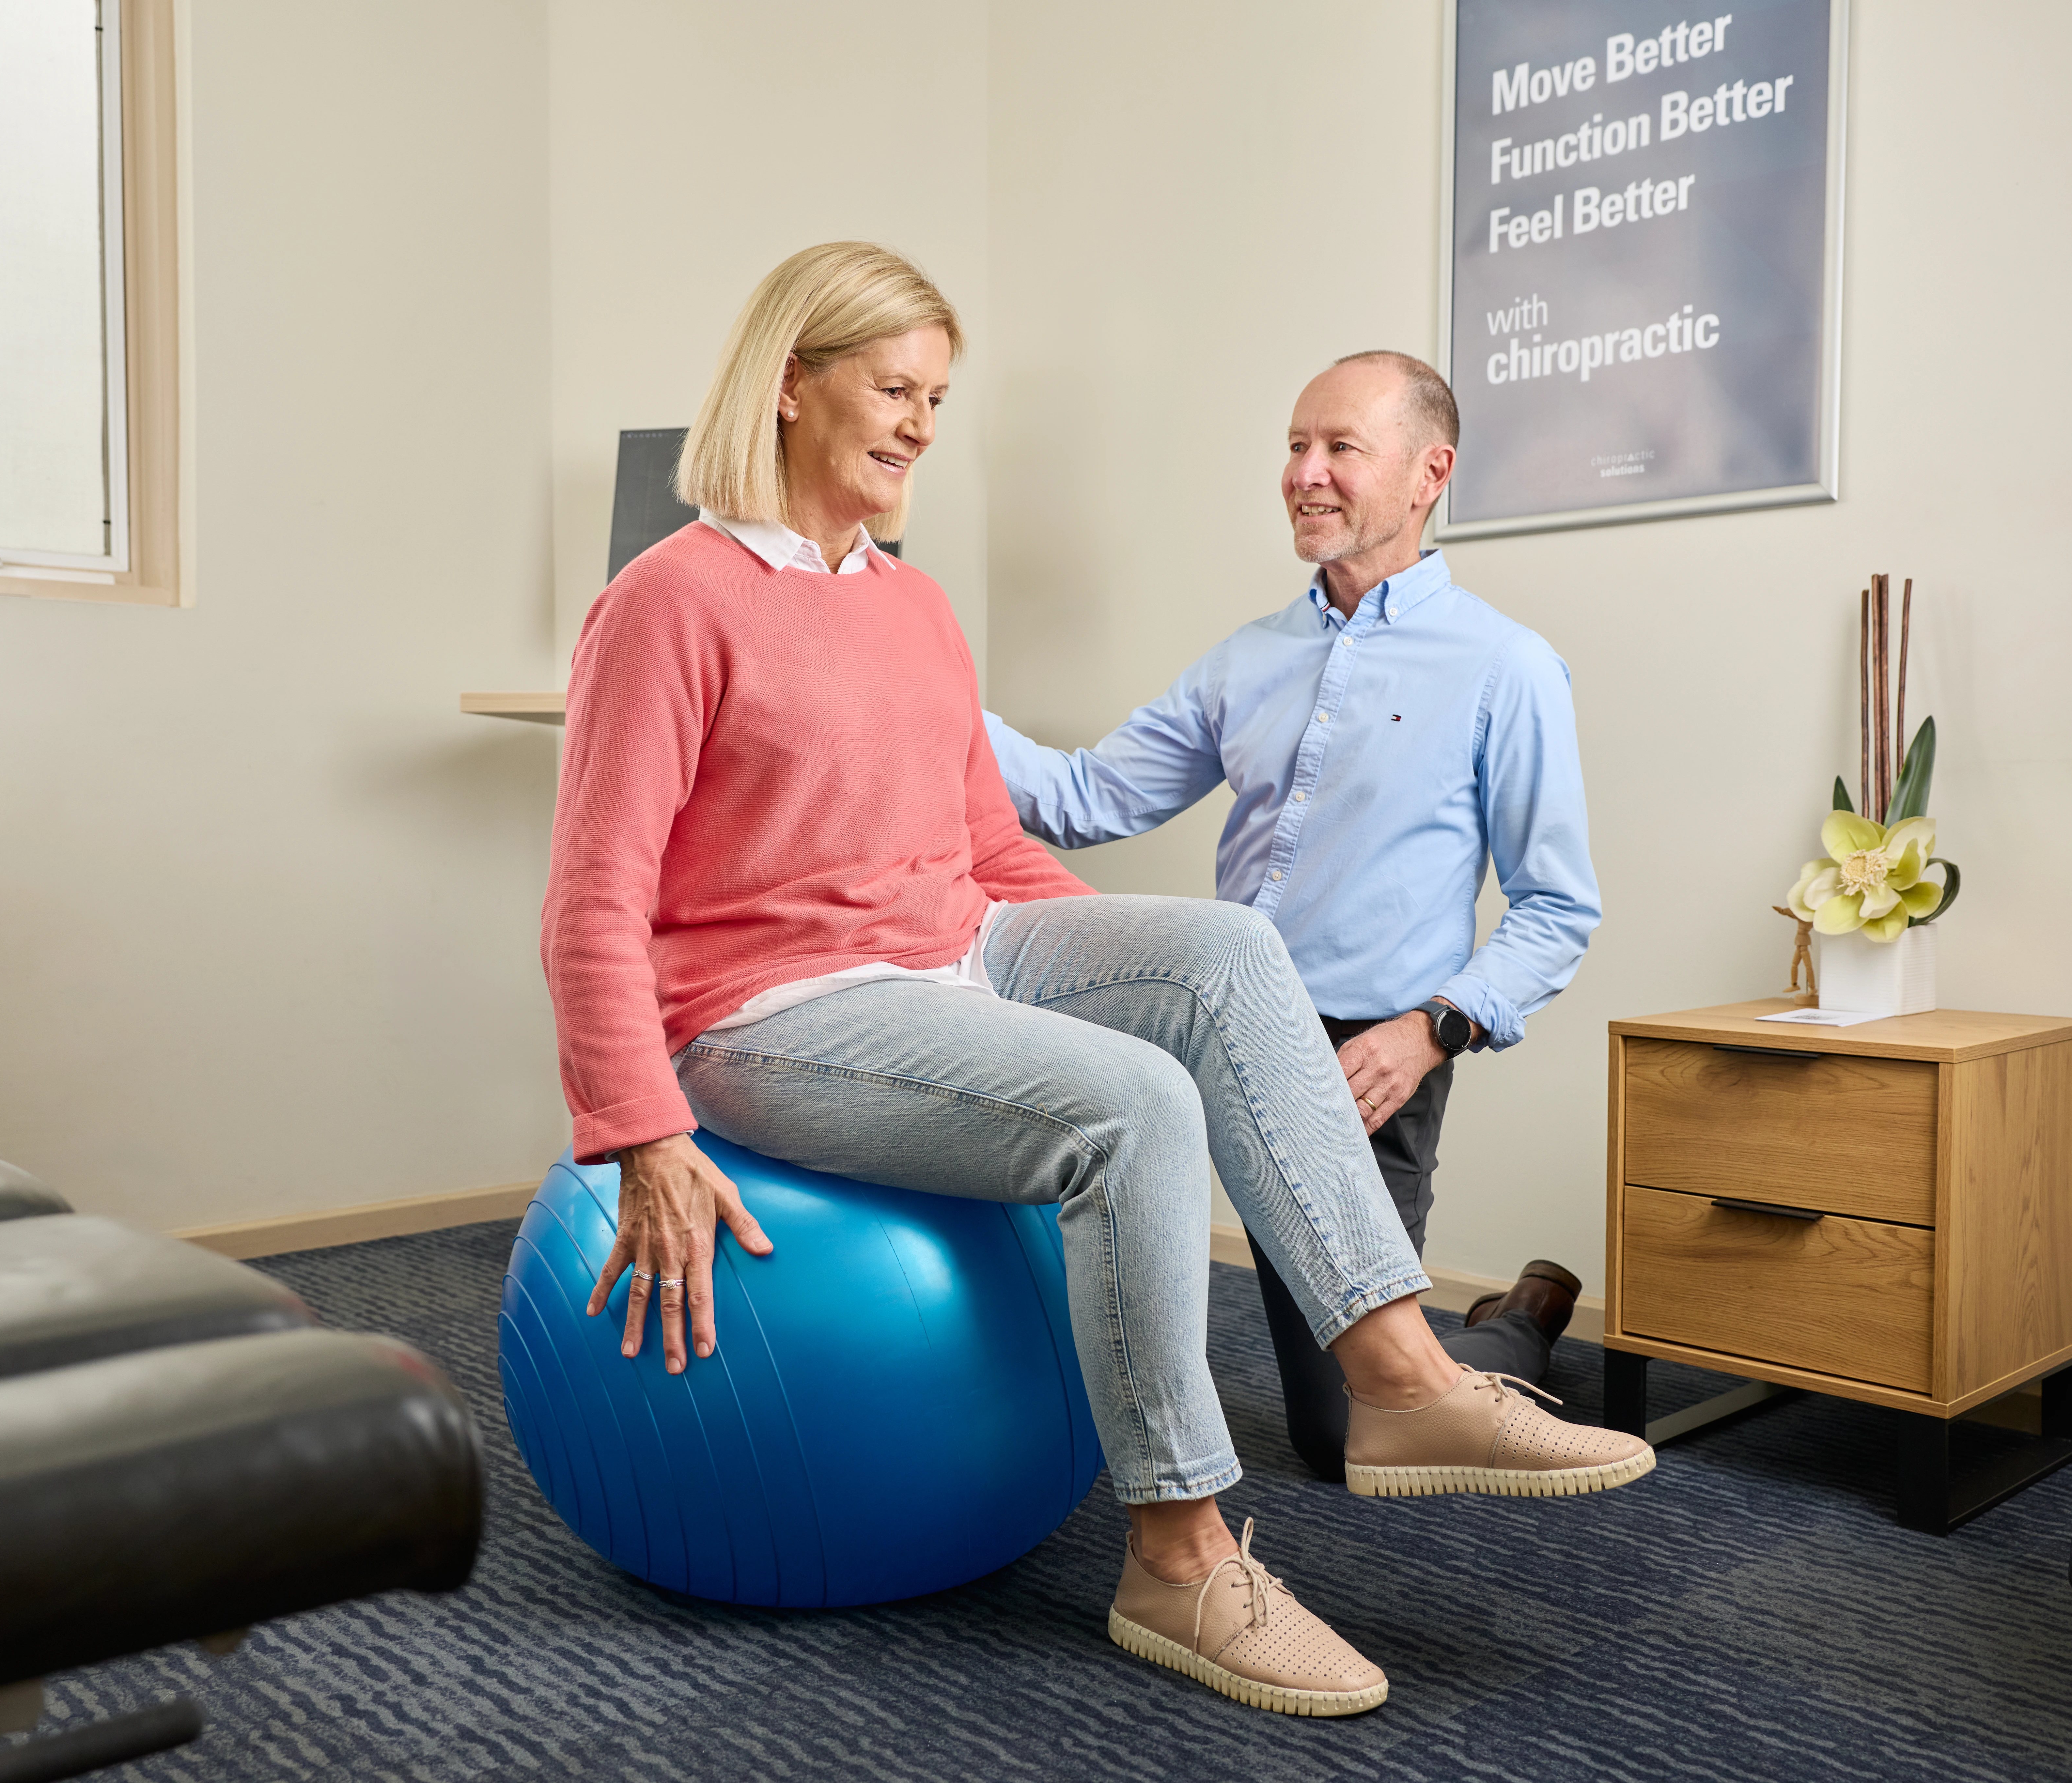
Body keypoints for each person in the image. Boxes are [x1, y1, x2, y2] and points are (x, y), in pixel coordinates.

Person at [540, 243, 1651, 1718]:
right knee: (1130, 1103)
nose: (921, 423)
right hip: (768, 1008)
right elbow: (590, 902)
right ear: (790, 383)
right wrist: (642, 1133)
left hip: (950, 951)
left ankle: (1397, 1374)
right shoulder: (668, 601)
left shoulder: (914, 609)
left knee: (1229, 948)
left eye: (937, 397)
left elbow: (989, 847)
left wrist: (1131, 989)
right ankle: (1177, 1556)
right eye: (891, 389)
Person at [986, 351, 1603, 1484]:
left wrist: (1431, 1032)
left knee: (1342, 1435)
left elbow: (1557, 907)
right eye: (1295, 446)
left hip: (1371, 1057)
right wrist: (918, 683)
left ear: (1430, 474)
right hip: (1228, 1030)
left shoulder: (1506, 667)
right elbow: (1081, 799)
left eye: (1339, 449)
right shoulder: (1249, 661)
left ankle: (1521, 1321)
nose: (1304, 474)